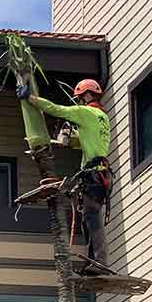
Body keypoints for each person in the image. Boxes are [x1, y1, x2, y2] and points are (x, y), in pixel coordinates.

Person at [17, 78, 112, 273]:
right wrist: (69, 140)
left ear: (87, 95)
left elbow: (56, 109)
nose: (79, 101)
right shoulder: (103, 117)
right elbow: (87, 142)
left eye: (80, 98)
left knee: (92, 218)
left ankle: (100, 263)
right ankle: (94, 263)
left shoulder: (85, 112)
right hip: (101, 174)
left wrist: (30, 97)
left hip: (93, 174)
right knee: (89, 218)